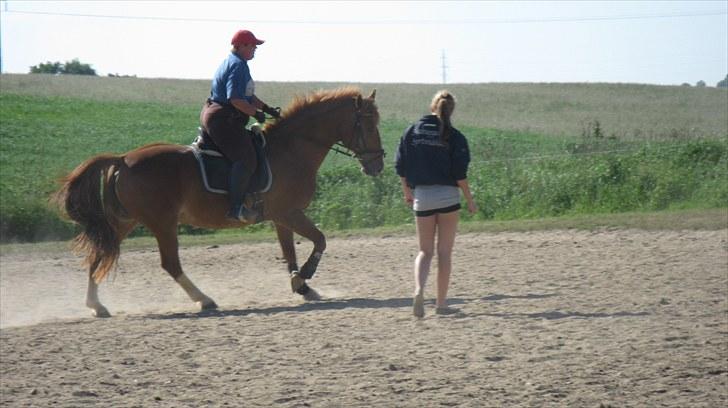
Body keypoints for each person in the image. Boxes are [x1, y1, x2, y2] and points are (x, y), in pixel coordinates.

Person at [394, 90, 477, 318]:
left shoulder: (412, 131)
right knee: (444, 253)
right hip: (448, 197)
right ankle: (441, 305)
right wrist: (470, 200)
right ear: (451, 110)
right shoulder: (456, 136)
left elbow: (400, 166)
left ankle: (419, 289)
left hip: (423, 197)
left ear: (432, 106)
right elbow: (460, 175)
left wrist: (407, 191)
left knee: (424, 251)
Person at [200, 29, 280, 222]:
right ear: (242, 45)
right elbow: (235, 99)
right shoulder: (238, 66)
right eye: (252, 46)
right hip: (223, 120)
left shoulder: (237, 63)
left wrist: (268, 109)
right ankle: (236, 208)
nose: (255, 49)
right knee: (246, 158)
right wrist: (256, 114)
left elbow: (248, 96)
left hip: (218, 116)